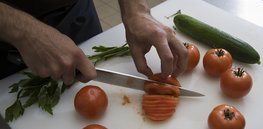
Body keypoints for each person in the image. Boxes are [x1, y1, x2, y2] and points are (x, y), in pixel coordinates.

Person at [0, 0, 188, 85]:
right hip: (6, 38)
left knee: (90, 76)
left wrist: (136, 10)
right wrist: (25, 32)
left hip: (77, 12)